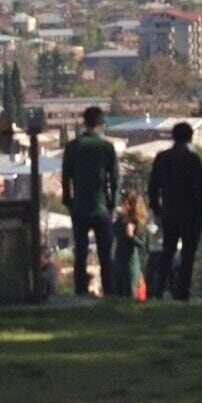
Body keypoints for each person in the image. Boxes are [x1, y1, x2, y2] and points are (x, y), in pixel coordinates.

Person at [60, 106, 120, 297]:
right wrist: (112, 203)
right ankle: (110, 290)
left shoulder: (73, 146)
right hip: (101, 206)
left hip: (79, 207)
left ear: (84, 123)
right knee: (105, 254)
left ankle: (80, 290)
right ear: (101, 124)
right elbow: (115, 179)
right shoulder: (106, 147)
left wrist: (68, 200)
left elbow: (66, 176)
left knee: (81, 253)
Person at [147, 121, 202, 302]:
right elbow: (201, 191)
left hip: (170, 213)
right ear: (190, 137)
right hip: (190, 215)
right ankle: (183, 291)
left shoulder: (162, 158)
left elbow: (153, 188)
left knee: (167, 251)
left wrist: (157, 210)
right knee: (187, 255)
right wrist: (200, 213)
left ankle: (159, 290)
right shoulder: (193, 159)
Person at [113, 189, 151, 303]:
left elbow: (143, 244)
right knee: (118, 294)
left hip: (130, 264)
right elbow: (113, 231)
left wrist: (131, 236)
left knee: (130, 295)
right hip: (118, 260)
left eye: (123, 201)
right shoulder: (120, 220)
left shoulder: (137, 223)